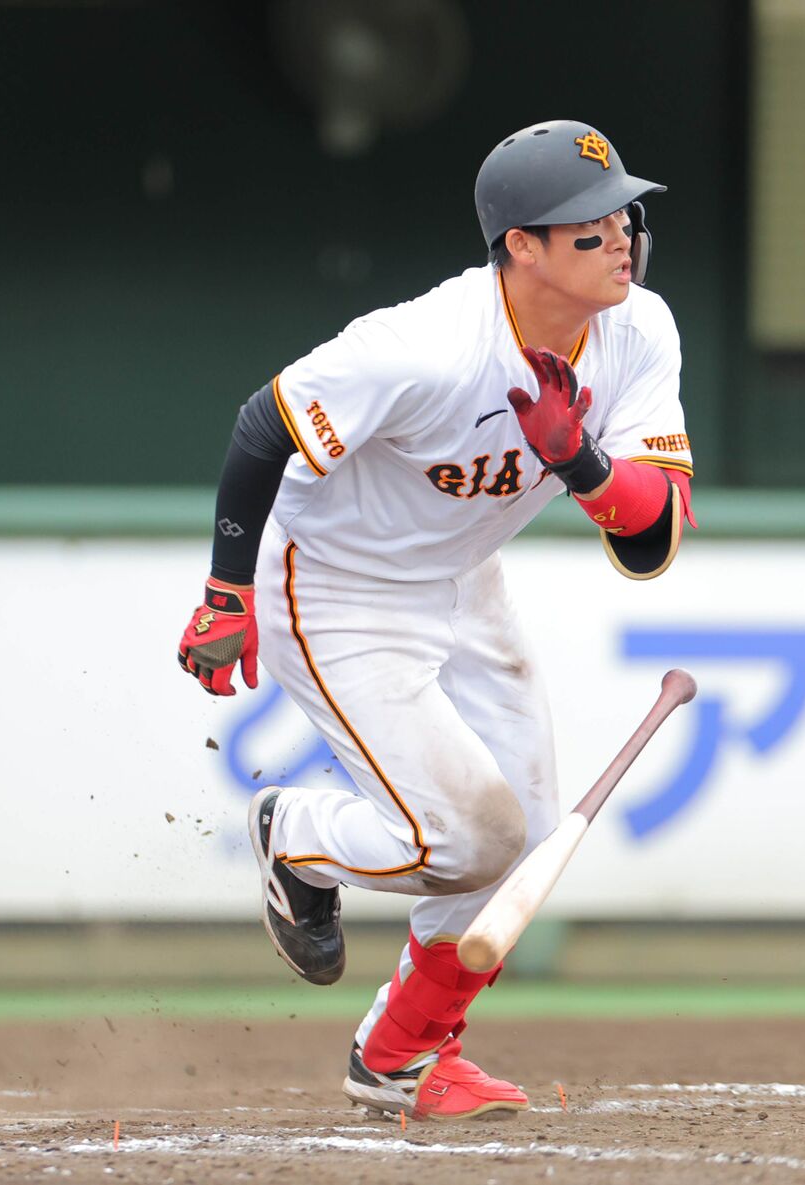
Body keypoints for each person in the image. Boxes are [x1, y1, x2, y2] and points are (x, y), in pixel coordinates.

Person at [177, 119, 696, 1120]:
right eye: (590, 227)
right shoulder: (427, 345)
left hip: (463, 575)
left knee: (527, 839)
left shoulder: (639, 329)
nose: (621, 238)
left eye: (624, 215)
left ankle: (400, 1057)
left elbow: (653, 537)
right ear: (522, 247)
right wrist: (226, 590)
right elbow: (264, 422)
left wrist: (583, 463)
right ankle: (295, 834)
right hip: (337, 585)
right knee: (468, 841)